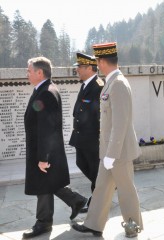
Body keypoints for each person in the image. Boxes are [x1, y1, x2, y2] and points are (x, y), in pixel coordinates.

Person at [72, 42, 143, 238]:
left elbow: (120, 123)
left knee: (126, 190)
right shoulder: (112, 82)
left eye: (97, 60)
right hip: (109, 151)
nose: (97, 63)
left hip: (117, 152)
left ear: (101, 61)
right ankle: (94, 224)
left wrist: (111, 154)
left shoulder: (118, 83)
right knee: (102, 187)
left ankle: (133, 225)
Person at [23, 57, 87, 239]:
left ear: (39, 72)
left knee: (43, 186)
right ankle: (77, 201)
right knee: (48, 183)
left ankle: (43, 223)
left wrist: (43, 157)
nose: (26, 74)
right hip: (43, 149)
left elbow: (46, 127)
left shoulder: (46, 93)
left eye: (29, 71)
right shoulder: (43, 89)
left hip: (43, 150)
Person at [69, 53, 104, 213]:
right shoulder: (85, 85)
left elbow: (101, 116)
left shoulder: (99, 86)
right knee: (81, 164)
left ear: (89, 68)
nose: (77, 70)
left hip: (92, 140)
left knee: (95, 170)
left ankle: (97, 201)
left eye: (80, 67)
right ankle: (105, 188)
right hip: (81, 137)